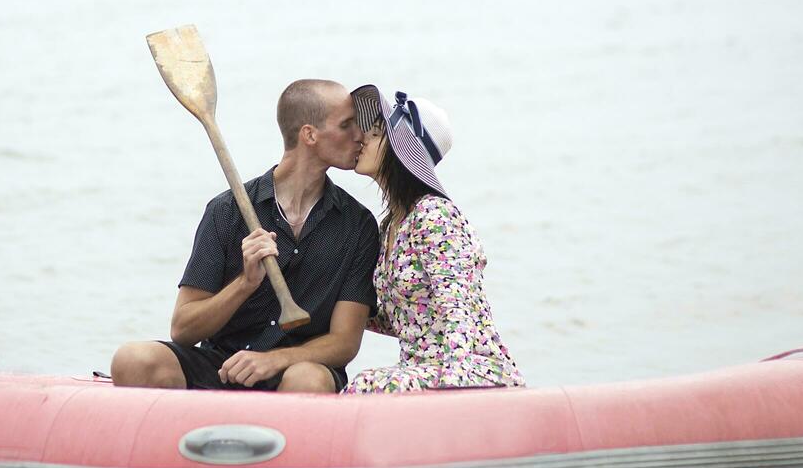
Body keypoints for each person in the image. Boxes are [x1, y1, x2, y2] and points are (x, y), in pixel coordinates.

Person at [111, 79, 380, 392]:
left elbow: (344, 342)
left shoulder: (358, 225)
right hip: (223, 364)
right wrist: (244, 284)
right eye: (347, 125)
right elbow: (183, 329)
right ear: (309, 134)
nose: (360, 136)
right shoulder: (226, 210)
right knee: (133, 359)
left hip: (298, 369)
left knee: (307, 378)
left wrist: (274, 360)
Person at [343, 85, 525, 394]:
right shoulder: (390, 226)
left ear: (400, 149)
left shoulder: (435, 215)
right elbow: (405, 320)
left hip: (471, 369)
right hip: (421, 372)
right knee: (368, 382)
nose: (361, 139)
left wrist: (450, 395)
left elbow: (458, 309)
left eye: (375, 135)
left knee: (367, 385)